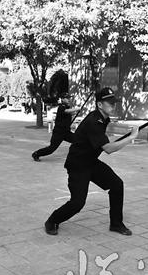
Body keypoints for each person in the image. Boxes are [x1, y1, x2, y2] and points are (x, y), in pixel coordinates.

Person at [44, 87, 139, 236]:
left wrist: (121, 138)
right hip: (78, 165)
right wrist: (131, 138)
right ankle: (52, 221)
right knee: (77, 203)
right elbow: (108, 149)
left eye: (114, 102)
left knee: (116, 185)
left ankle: (116, 223)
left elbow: (102, 141)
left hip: (90, 162)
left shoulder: (102, 118)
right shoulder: (94, 121)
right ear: (99, 104)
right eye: (110, 103)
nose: (113, 105)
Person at [32, 93, 81, 161]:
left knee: (78, 140)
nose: (69, 99)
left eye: (69, 98)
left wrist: (75, 112)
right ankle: (36, 154)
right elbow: (66, 111)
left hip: (66, 132)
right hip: (58, 133)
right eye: (67, 98)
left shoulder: (67, 107)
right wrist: (77, 109)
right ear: (63, 99)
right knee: (51, 149)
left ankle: (79, 155)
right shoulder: (61, 107)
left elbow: (70, 113)